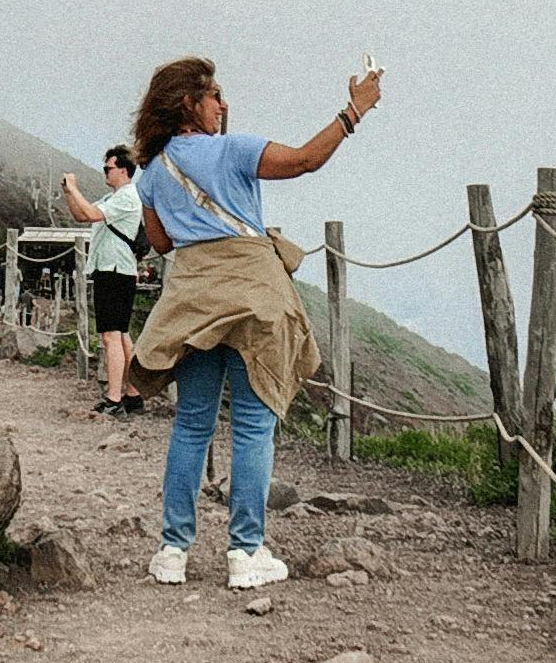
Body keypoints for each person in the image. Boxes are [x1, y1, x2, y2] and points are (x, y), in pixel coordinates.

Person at [128, 54, 383, 591]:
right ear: (189, 105)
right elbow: (305, 160)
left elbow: (162, 242)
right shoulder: (234, 149)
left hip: (194, 300)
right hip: (254, 295)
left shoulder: (151, 173)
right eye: (214, 95)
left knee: (192, 423)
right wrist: (354, 110)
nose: (223, 104)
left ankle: (172, 551)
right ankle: (245, 553)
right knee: (252, 426)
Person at [58, 146, 148, 416]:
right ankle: (133, 394)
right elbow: (82, 214)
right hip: (113, 269)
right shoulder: (114, 198)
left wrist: (74, 188)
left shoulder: (127, 197)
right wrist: (68, 193)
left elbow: (94, 215)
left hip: (115, 270)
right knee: (120, 335)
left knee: (110, 336)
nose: (104, 172)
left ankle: (114, 399)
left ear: (123, 169)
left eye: (108, 168)